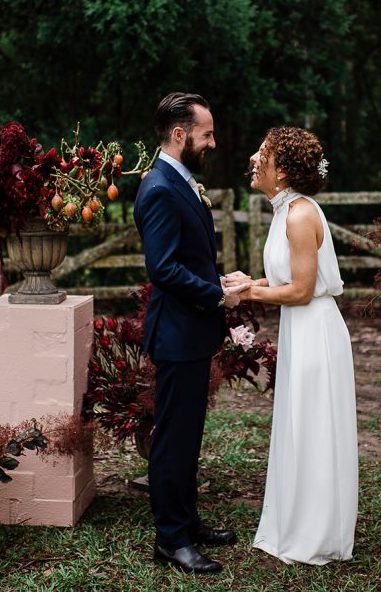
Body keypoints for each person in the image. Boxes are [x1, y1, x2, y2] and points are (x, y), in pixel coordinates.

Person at [224, 127, 359, 565]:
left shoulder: (300, 215)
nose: (252, 158)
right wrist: (253, 281)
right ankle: (295, 522)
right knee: (299, 427)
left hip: (315, 332)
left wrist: (247, 295)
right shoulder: (285, 210)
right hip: (299, 329)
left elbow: (302, 291)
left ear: (280, 170)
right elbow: (287, 279)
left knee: (314, 428)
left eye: (261, 153)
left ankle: (315, 534)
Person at [133, 92, 248, 574]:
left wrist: (215, 280)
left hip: (192, 331)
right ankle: (170, 539)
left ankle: (188, 521)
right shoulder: (159, 187)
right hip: (177, 334)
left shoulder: (182, 181)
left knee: (188, 436)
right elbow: (162, 269)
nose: (213, 143)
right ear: (179, 135)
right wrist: (218, 296)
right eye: (207, 134)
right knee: (172, 441)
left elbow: (188, 259)